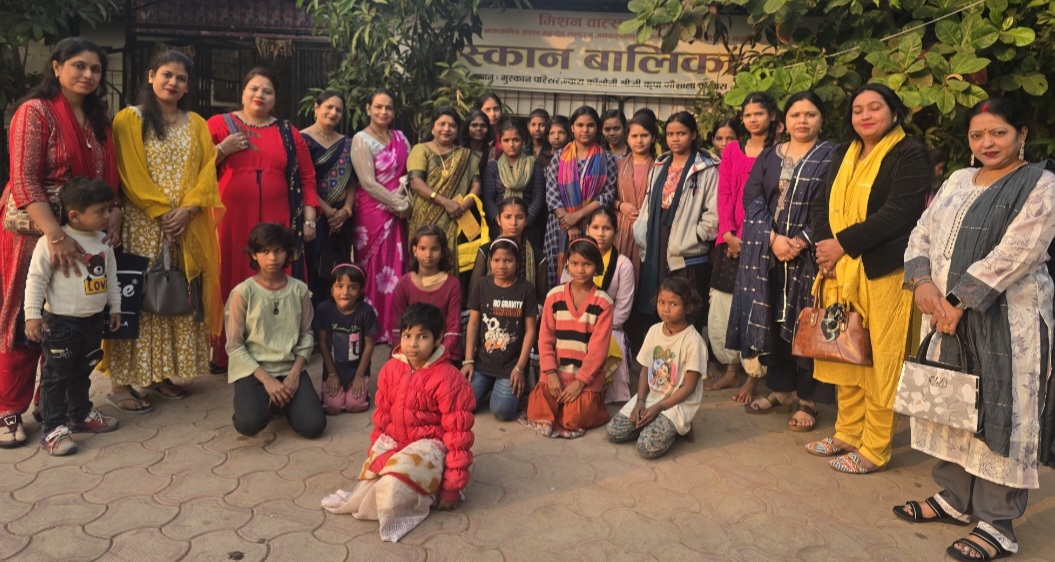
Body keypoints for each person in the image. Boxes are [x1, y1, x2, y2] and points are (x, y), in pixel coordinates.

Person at [896, 97, 1055, 561]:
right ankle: (954, 498)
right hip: (946, 314)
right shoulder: (956, 180)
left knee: (1002, 412)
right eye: (978, 134)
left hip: (1008, 321)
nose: (988, 142)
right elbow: (921, 232)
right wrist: (923, 282)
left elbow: (1019, 251)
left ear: (1021, 134)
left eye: (999, 132)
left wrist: (957, 300)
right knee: (952, 404)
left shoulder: (1041, 184)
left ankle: (997, 522)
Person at [806, 83, 931, 474]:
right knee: (846, 350)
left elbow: (899, 212)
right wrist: (826, 249)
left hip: (884, 272)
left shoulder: (909, 153)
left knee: (880, 358)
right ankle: (847, 432)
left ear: (893, 112)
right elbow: (821, 203)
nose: (865, 116)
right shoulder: (843, 152)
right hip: (839, 269)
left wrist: (842, 245)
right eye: (857, 110)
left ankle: (875, 447)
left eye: (874, 107)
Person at [0, 37, 119, 447]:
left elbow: (107, 180)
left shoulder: (99, 120)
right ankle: (8, 408)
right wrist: (55, 234)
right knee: (25, 319)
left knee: (72, 324)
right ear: (56, 67)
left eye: (96, 69)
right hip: (36, 231)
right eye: (79, 66)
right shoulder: (35, 112)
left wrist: (114, 211)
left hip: (84, 237)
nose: (88, 75)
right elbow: (24, 179)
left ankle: (56, 405)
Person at [107, 50, 223, 413]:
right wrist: (163, 214)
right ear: (151, 76)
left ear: (188, 86)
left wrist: (188, 211)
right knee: (138, 299)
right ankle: (121, 382)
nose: (173, 83)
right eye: (167, 75)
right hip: (143, 224)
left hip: (185, 227)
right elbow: (129, 173)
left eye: (181, 78)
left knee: (173, 297)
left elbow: (207, 172)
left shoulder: (197, 123)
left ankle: (159, 375)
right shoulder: (131, 119)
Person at [726, 91, 837, 431]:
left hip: (809, 257)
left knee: (807, 323)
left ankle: (808, 400)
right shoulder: (770, 155)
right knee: (772, 320)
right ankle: (781, 390)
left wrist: (800, 241)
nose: (802, 120)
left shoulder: (833, 155)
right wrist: (773, 239)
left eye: (810, 114)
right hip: (768, 254)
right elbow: (753, 197)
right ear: (784, 121)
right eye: (795, 115)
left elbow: (833, 203)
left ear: (821, 119)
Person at [321, 303, 475, 542]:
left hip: (429, 447)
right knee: (370, 482)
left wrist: (452, 489)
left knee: (392, 487)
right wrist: (375, 455)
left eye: (422, 336)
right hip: (396, 442)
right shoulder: (390, 369)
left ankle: (431, 490)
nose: (412, 344)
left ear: (438, 339)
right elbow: (382, 419)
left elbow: (458, 436)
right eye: (407, 335)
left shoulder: (449, 379)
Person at [208, 67, 319, 374]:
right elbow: (195, 166)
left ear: (275, 98)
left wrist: (309, 219)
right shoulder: (218, 124)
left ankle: (277, 349)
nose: (259, 95)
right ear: (242, 93)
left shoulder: (288, 132)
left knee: (275, 278)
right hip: (230, 218)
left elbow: (307, 177)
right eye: (254, 89)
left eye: (267, 91)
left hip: (277, 218)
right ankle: (226, 352)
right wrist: (222, 149)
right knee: (229, 277)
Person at [24, 177, 122, 455]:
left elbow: (112, 278)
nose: (108, 215)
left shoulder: (103, 242)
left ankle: (80, 414)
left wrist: (115, 308)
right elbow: (36, 279)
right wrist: (32, 315)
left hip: (94, 322)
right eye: (101, 211)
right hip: (61, 324)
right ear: (75, 216)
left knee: (83, 371)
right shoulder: (50, 243)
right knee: (55, 378)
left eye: (109, 209)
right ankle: (53, 429)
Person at [704, 92, 779, 402]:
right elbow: (724, 194)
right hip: (730, 240)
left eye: (758, 113)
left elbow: (776, 200)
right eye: (747, 115)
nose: (753, 119)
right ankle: (731, 369)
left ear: (771, 116)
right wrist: (727, 233)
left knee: (756, 307)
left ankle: (753, 378)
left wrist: (753, 239)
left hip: (763, 242)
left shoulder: (779, 151)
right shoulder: (733, 149)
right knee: (724, 305)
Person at [225, 223, 326, 439]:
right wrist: (267, 380)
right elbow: (234, 346)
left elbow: (306, 336)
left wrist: (294, 375)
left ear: (287, 253)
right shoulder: (243, 292)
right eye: (265, 251)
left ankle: (282, 403)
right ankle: (259, 399)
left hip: (289, 367)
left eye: (278, 250)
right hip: (254, 369)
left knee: (313, 426)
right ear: (254, 254)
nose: (272, 258)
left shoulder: (299, 290)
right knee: (249, 424)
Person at [633, 112, 719, 335]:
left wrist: (696, 237)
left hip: (686, 245)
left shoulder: (706, 168)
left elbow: (713, 213)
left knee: (685, 304)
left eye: (681, 133)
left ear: (693, 134)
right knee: (659, 301)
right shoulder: (660, 164)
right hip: (657, 238)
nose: (675, 139)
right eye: (670, 134)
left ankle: (687, 350)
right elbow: (648, 202)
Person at [522, 237, 613, 438]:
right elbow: (545, 338)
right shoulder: (554, 296)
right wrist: (550, 373)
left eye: (587, 264)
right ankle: (559, 402)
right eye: (574, 263)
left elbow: (598, 351)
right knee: (538, 412)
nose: (580, 270)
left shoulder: (604, 302)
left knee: (573, 419)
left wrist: (580, 382)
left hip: (585, 377)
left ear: (597, 266)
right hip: (556, 372)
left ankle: (587, 406)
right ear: (567, 264)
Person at [606, 277, 707, 458]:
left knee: (646, 447)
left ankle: (679, 428)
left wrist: (659, 408)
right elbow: (645, 369)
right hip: (652, 397)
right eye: (661, 302)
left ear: (687, 307)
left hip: (677, 404)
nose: (665, 309)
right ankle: (651, 424)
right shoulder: (654, 331)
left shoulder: (694, 341)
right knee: (614, 432)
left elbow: (689, 387)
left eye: (673, 304)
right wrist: (640, 401)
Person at [350, 88, 411, 346]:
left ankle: (393, 327)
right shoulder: (361, 140)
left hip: (398, 212)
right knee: (374, 269)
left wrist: (405, 199)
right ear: (368, 109)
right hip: (371, 215)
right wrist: (398, 203)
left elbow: (408, 174)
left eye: (388, 107)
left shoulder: (401, 138)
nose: (383, 112)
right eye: (378, 107)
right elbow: (368, 182)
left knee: (397, 266)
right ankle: (372, 328)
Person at [561, 207, 634, 403]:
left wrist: (597, 328)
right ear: (587, 229)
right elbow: (564, 296)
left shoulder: (623, 265)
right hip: (575, 323)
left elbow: (622, 311)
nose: (600, 233)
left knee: (611, 339)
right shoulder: (575, 257)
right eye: (595, 227)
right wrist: (580, 325)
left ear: (616, 232)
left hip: (609, 327)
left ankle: (601, 391)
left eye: (606, 228)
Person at [462, 238, 538, 420]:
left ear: (517, 262)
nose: (502, 266)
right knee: (463, 403)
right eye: (496, 260)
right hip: (482, 364)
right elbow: (473, 324)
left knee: (501, 411)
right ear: (490, 261)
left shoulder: (526, 290)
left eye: (508, 260)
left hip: (510, 367)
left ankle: (501, 389)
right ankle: (488, 385)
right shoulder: (481, 286)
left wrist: (520, 368)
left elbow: (530, 331)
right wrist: (468, 361)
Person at [543, 105, 618, 286]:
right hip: (560, 226)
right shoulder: (559, 157)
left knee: (587, 269)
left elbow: (607, 195)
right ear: (572, 127)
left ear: (597, 128)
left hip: (592, 226)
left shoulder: (607, 158)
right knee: (558, 273)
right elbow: (552, 194)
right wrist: (569, 225)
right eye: (580, 125)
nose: (585, 130)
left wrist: (576, 217)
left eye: (590, 125)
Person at [407, 107, 482, 274]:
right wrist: (446, 203)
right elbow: (416, 183)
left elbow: (476, 185)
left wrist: (463, 206)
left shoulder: (466, 155)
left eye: (452, 125)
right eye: (441, 124)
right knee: (422, 260)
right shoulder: (420, 149)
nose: (446, 129)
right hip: (424, 217)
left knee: (449, 262)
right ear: (432, 128)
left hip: (455, 216)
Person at [301, 90, 355, 310]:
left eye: (338, 110)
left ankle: (337, 316)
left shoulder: (347, 143)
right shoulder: (302, 139)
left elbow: (352, 181)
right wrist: (328, 212)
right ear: (316, 108)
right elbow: (304, 181)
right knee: (314, 267)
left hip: (342, 220)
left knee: (339, 269)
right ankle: (314, 320)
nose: (333, 113)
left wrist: (346, 211)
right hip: (313, 215)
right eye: (329, 107)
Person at [389, 226, 462, 362]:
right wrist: (406, 355)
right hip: (409, 353)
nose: (428, 254)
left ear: (442, 252)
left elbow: (453, 328)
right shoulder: (404, 283)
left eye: (434, 249)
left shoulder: (452, 285)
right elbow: (398, 327)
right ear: (414, 250)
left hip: (441, 355)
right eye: (422, 248)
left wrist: (436, 357)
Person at [315, 263, 378, 415]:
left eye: (352, 287)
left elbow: (370, 345)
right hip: (334, 368)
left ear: (360, 291)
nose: (345, 292)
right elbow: (322, 342)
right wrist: (331, 374)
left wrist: (359, 376)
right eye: (339, 286)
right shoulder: (324, 309)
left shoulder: (366, 312)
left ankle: (362, 391)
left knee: (355, 405)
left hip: (357, 369)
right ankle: (334, 389)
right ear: (331, 289)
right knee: (333, 407)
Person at [481, 119, 545, 253]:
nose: (511, 144)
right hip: (499, 226)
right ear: (500, 142)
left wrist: (525, 219)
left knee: (527, 259)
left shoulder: (534, 167)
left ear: (524, 140)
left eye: (516, 140)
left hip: (528, 226)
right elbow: (487, 198)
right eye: (506, 140)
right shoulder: (493, 167)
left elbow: (538, 198)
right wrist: (500, 219)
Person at [470, 197, 548, 301]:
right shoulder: (486, 251)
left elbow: (542, 297)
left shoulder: (537, 255)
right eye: (507, 217)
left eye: (519, 217)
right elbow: (474, 292)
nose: (513, 223)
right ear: (499, 220)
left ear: (526, 220)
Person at [614, 112, 658, 284]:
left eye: (644, 135)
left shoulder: (660, 166)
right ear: (627, 138)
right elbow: (606, 196)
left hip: (649, 229)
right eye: (634, 136)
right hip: (621, 229)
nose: (639, 140)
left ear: (653, 138)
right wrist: (620, 205)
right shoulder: (617, 165)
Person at [459, 110, 494, 177]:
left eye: (483, 125)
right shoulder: (459, 152)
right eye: (474, 125)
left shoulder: (493, 152)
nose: (478, 129)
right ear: (467, 127)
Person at [474, 92, 504, 160]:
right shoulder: (473, 136)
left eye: (496, 109)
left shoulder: (505, 134)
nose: (493, 114)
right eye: (487, 110)